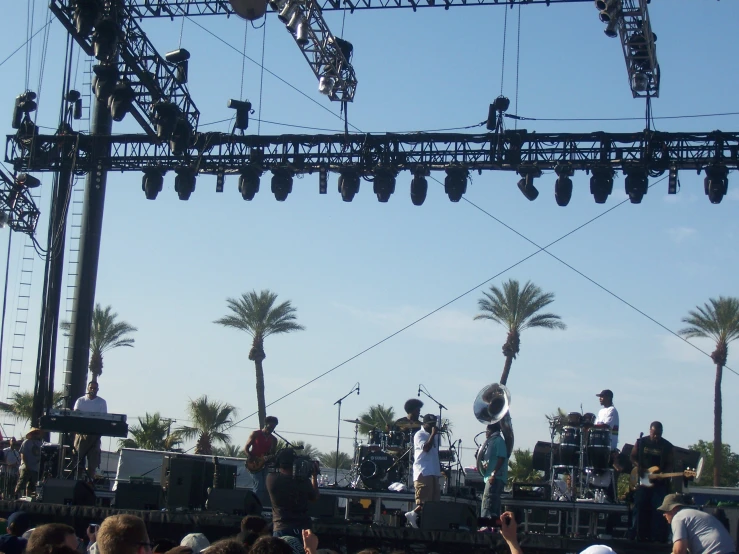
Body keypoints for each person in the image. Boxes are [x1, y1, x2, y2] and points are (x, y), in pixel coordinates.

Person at [630, 421, 674, 542]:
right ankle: (637, 535)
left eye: (659, 434)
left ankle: (657, 538)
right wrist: (639, 467)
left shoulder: (667, 446)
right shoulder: (641, 442)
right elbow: (632, 457)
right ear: (650, 431)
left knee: (658, 509)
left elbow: (671, 464)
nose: (656, 436)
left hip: (659, 484)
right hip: (644, 481)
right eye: (654, 434)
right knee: (639, 506)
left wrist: (663, 474)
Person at [266, 448, 319, 541]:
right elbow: (314, 497)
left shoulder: (271, 479)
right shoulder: (304, 481)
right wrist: (314, 476)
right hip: (302, 529)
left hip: (280, 527)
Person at [658, 493, 736, 554]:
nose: (664, 514)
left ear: (674, 508)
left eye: (665, 510)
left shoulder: (678, 517)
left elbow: (679, 551)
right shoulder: (692, 514)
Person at [404, 414, 441, 528]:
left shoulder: (433, 436)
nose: (432, 427)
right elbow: (425, 448)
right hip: (423, 471)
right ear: (424, 424)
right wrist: (433, 434)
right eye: (430, 425)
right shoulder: (419, 435)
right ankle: (413, 514)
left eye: (434, 424)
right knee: (424, 500)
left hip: (433, 471)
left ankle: (425, 522)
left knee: (434, 502)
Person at [73, 381, 108, 477]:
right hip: (81, 434)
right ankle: (78, 480)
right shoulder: (80, 401)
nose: (93, 390)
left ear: (98, 390)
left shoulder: (102, 402)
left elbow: (103, 418)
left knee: (93, 462)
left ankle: (90, 482)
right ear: (88, 388)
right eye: (91, 388)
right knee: (78, 461)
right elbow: (76, 415)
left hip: (94, 435)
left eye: (95, 388)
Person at [480, 422, 509, 528]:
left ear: (491, 430)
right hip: (491, 476)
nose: (486, 433)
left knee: (488, 502)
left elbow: (501, 458)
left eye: (487, 431)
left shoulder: (498, 441)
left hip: (495, 477)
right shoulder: (492, 442)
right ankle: (492, 527)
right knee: (491, 503)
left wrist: (493, 473)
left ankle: (486, 526)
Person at [245, 416, 279, 507]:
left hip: (265, 464)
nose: (272, 429)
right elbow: (246, 448)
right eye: (270, 426)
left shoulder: (274, 439)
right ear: (266, 425)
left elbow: (272, 453)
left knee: (263, 487)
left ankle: (257, 506)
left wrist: (272, 458)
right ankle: (253, 507)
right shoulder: (256, 434)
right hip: (253, 464)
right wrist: (251, 457)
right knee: (258, 485)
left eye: (274, 427)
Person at [15, 428, 43, 498]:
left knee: (32, 485)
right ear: (31, 434)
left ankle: (28, 498)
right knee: (21, 483)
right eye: (34, 433)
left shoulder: (40, 443)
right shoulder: (26, 442)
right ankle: (15, 496)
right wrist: (26, 464)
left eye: (37, 433)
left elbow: (41, 454)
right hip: (26, 467)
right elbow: (22, 454)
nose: (36, 435)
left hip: (35, 468)